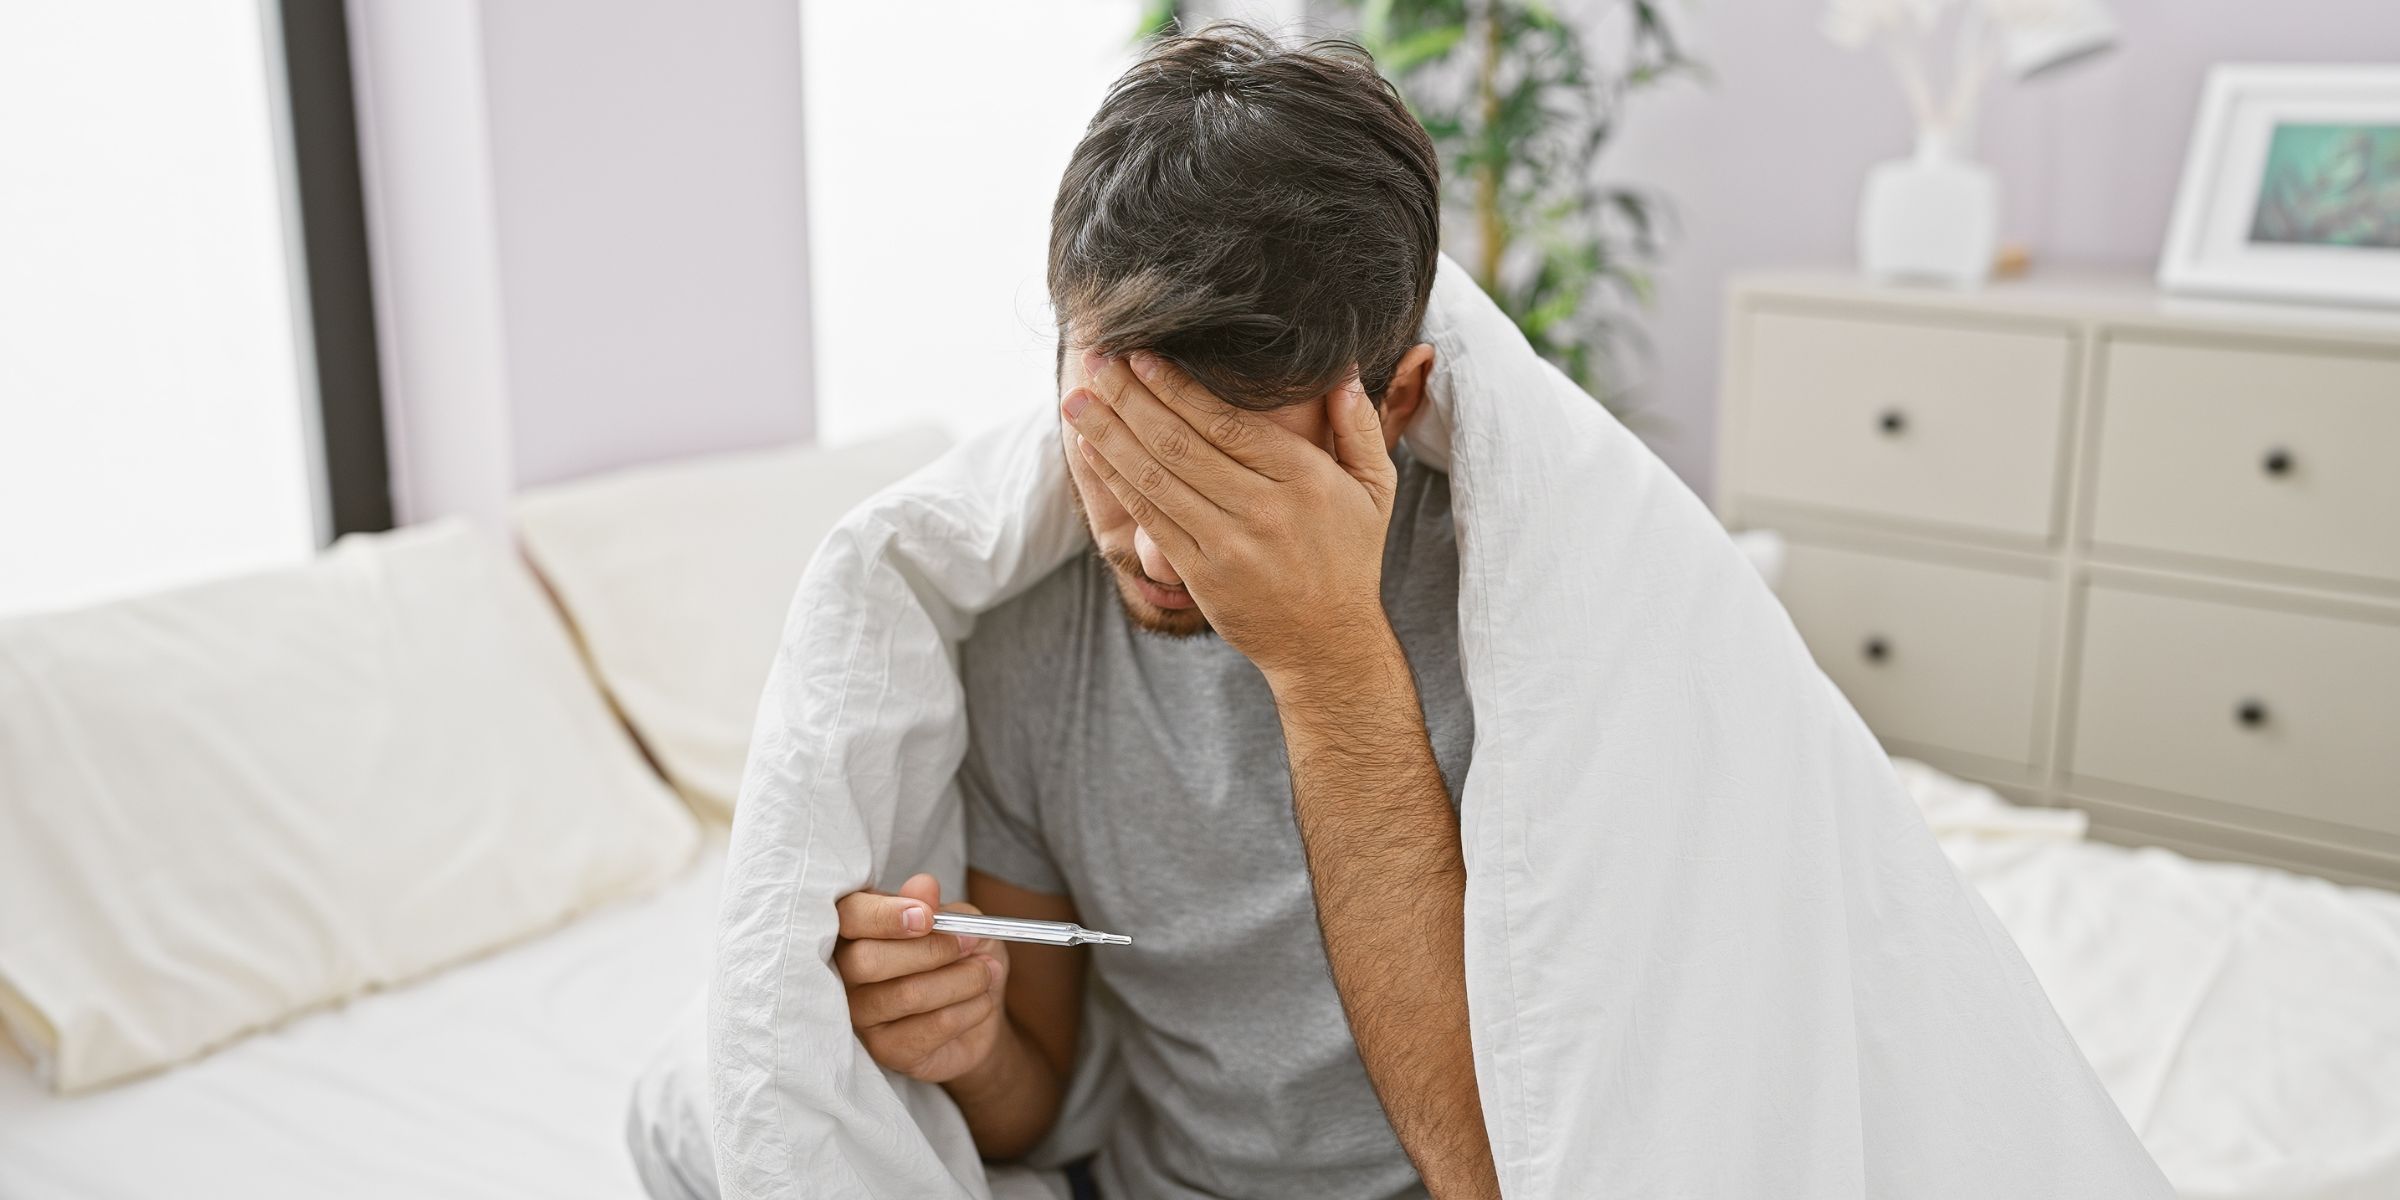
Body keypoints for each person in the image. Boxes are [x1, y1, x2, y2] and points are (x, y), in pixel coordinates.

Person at [829, 23, 1494, 1200]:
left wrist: (1331, 660)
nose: (1147, 546)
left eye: (1227, 483)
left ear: (1391, 409)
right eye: (1121, 459)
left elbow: (1509, 1163)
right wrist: (968, 1044)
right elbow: (1039, 1102)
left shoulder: (1511, 618)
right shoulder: (1030, 641)